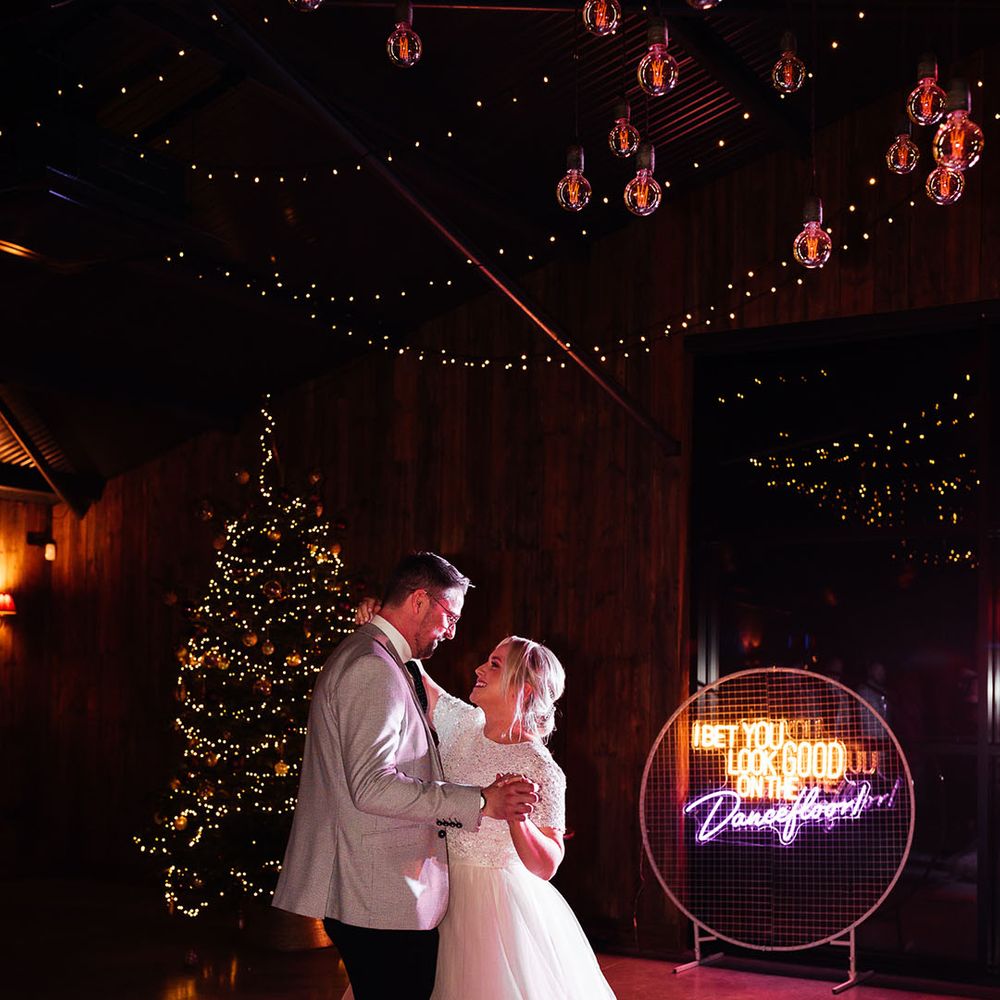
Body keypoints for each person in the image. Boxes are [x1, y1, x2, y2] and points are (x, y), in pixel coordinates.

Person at [272, 552, 539, 1000]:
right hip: (378, 893)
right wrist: (479, 802)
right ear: (419, 601)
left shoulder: (382, 659)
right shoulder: (373, 668)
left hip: (380, 890)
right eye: (449, 617)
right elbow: (372, 785)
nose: (452, 632)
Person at [356, 596, 615, 999]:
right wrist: (385, 626)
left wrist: (519, 821)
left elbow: (547, 866)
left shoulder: (540, 767)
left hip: (496, 912)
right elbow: (417, 675)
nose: (478, 668)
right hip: (432, 889)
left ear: (523, 689)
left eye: (494, 665)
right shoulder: (463, 724)